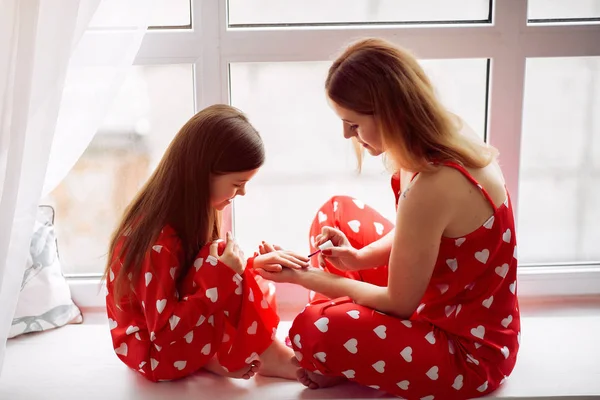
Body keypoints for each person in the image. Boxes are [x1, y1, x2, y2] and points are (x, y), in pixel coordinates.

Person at [257, 38, 520, 399]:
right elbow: (418, 235)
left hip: (467, 354)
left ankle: (335, 353)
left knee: (313, 329)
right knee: (337, 211)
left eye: (352, 123)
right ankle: (344, 353)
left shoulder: (435, 184)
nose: (346, 134)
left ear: (389, 113)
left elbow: (399, 303)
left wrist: (308, 278)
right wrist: (359, 258)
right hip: (433, 297)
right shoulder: (439, 136)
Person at [104, 104, 309, 382]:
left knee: (226, 263)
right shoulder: (158, 242)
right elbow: (164, 334)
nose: (243, 193)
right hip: (155, 355)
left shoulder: (191, 212)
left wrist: (251, 267)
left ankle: (230, 357)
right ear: (203, 174)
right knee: (221, 262)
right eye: (238, 184)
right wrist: (225, 273)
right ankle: (266, 355)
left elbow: (188, 280)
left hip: (172, 337)